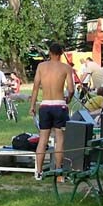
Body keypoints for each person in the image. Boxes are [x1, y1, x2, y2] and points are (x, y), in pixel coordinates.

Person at [29, 42, 75, 179]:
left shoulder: (41, 66)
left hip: (45, 105)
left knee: (43, 139)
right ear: (61, 53)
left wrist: (32, 106)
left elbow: (35, 88)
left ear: (49, 52)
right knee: (60, 139)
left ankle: (38, 172)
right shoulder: (66, 68)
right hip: (59, 105)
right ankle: (59, 173)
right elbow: (71, 89)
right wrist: (69, 99)